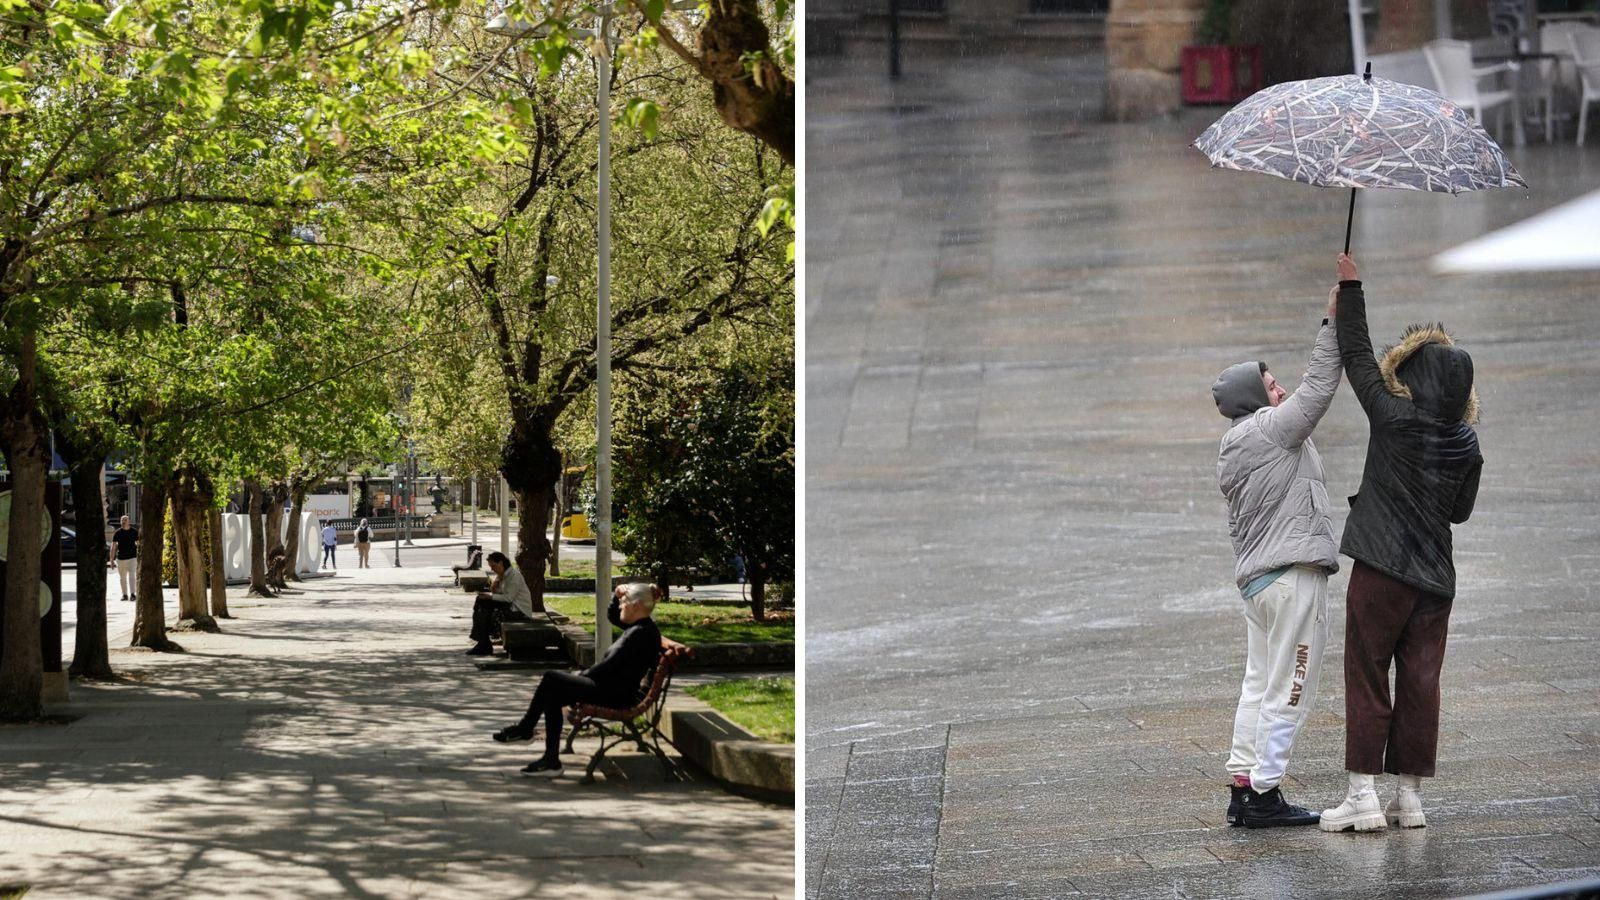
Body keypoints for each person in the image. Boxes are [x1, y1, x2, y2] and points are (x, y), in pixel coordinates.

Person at [1320, 253, 1482, 833]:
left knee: (1367, 670)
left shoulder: (1392, 417)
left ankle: (1362, 796)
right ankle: (1408, 799)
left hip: (1383, 571)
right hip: (1435, 582)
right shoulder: (1467, 444)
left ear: (1416, 379)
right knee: (1421, 681)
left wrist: (1350, 289)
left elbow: (1359, 359)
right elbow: (1460, 513)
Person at [1211, 274, 1343, 829]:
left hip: (1259, 586)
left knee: (1258, 683)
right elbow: (1318, 390)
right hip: (1290, 580)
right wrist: (1334, 321)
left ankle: (1243, 783)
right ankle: (1265, 792)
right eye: (1270, 385)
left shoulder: (1235, 446)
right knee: (1293, 683)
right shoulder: (1268, 432)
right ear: (1254, 400)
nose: (1281, 390)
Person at [491, 582, 663, 778]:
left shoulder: (640, 633)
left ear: (637, 605)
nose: (621, 605)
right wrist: (616, 595)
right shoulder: (640, 627)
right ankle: (548, 757)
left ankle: (528, 732)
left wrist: (582, 676)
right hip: (614, 688)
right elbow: (613, 616)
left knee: (552, 679)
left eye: (624, 602)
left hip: (617, 695)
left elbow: (609, 666)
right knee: (553, 692)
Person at [466, 551, 533, 656]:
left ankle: (483, 644)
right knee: (481, 603)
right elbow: (500, 595)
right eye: (491, 566)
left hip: (519, 610)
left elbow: (508, 598)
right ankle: (483, 643)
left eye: (493, 566)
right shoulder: (502, 575)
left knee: (484, 609)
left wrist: (490, 596)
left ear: (501, 563)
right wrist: (493, 588)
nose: (492, 569)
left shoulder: (513, 576)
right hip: (510, 606)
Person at [108, 515, 139, 602]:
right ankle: (125, 594)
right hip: (121, 558)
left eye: (125, 520)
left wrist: (140, 557)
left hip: (132, 557)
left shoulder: (134, 532)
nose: (123, 522)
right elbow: (113, 546)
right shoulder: (117, 532)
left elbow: (139, 544)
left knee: (132, 575)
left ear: (129, 521)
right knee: (123, 577)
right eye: (122, 520)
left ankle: (133, 594)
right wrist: (111, 560)